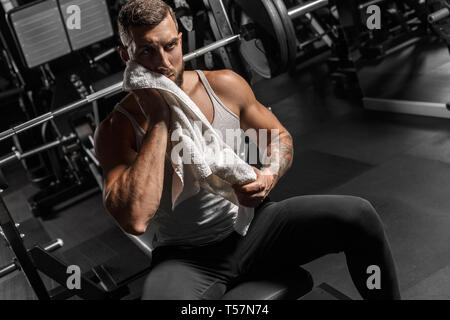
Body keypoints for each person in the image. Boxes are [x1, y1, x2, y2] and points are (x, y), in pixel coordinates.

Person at [94, 0, 401, 300]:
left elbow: (278, 137)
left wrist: (268, 175)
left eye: (170, 46)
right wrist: (160, 120)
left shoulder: (224, 85)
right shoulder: (116, 129)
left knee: (358, 214)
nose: (163, 61)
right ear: (126, 55)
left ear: (181, 40)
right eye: (147, 50)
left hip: (255, 226)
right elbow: (133, 219)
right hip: (187, 256)